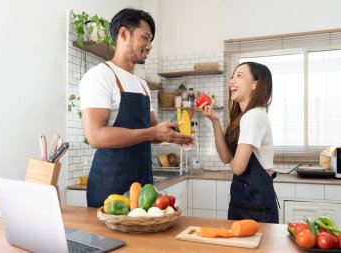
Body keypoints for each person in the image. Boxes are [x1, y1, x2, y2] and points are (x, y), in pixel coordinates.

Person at [79, 8, 194, 208]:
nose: (149, 46)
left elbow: (151, 129)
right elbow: (95, 136)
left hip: (143, 186)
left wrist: (170, 133)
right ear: (123, 33)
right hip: (110, 186)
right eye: (145, 38)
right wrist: (152, 132)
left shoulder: (142, 85)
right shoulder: (100, 76)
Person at [196, 62, 278, 223]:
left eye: (239, 76)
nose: (232, 80)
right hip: (243, 202)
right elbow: (226, 157)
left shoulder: (253, 116)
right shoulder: (244, 117)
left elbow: (238, 168)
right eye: (232, 76)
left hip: (255, 205)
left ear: (256, 84)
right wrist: (214, 120)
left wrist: (234, 160)